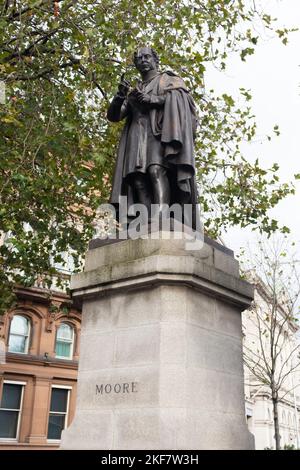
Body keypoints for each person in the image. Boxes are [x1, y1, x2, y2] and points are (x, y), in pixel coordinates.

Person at [107, 46, 199, 229]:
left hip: (159, 133)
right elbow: (115, 116)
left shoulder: (168, 80)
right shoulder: (137, 89)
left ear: (155, 59)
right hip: (135, 136)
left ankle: (162, 214)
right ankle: (144, 218)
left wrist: (152, 100)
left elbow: (182, 101)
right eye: (139, 58)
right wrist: (120, 96)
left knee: (156, 170)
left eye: (146, 56)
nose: (143, 60)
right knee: (137, 179)